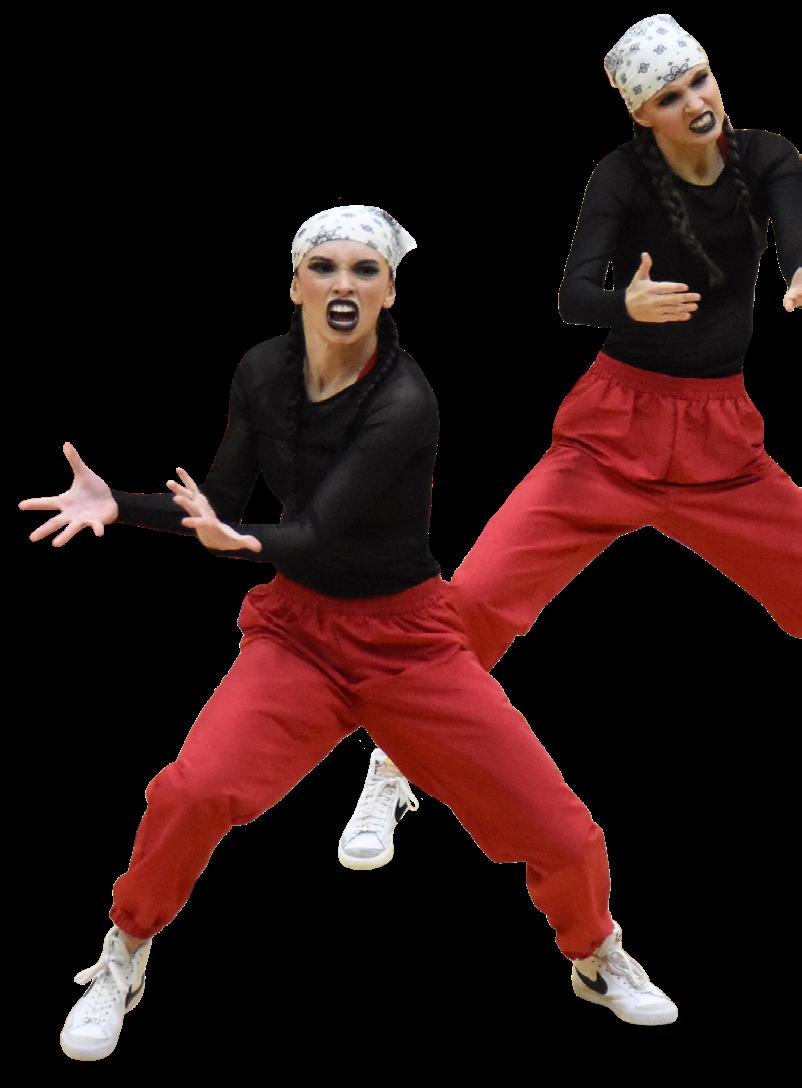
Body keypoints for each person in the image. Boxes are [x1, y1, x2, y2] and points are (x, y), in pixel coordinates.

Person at [20, 205, 676, 1062]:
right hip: (298, 634)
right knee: (191, 792)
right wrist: (122, 505)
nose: (343, 282)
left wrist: (239, 540)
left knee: (565, 833)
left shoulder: (406, 399)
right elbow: (222, 502)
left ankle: (595, 954)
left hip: (411, 644)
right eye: (323, 267)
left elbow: (318, 530)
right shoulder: (262, 370)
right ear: (296, 284)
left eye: (365, 270)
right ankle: (126, 950)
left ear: (389, 291)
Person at [338, 12, 802, 896]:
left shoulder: (769, 155)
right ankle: (393, 763)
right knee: (475, 599)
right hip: (610, 434)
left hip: (721, 447)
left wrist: (800, 269)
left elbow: (794, 217)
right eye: (670, 95)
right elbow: (573, 294)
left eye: (700, 80)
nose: (696, 102)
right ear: (642, 114)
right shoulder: (620, 175)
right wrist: (626, 304)